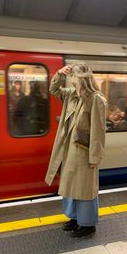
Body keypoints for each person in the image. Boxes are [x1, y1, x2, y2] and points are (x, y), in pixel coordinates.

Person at [45, 62, 106, 237]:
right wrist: (59, 73)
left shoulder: (96, 99)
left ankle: (87, 224)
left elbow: (98, 132)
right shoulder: (71, 96)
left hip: (84, 152)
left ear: (81, 79)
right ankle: (74, 218)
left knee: (84, 189)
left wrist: (95, 157)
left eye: (73, 77)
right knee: (70, 187)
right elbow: (53, 89)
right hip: (68, 149)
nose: (70, 81)